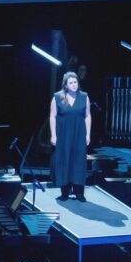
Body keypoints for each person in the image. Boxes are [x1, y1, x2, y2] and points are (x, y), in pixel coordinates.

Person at [49, 71, 91, 201]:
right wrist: (53, 135)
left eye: (75, 82)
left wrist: (88, 134)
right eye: (71, 83)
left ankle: (79, 193)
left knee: (78, 161)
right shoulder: (57, 97)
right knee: (64, 160)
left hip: (79, 134)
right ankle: (65, 192)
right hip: (63, 135)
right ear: (66, 85)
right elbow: (52, 116)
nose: (73, 85)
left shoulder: (84, 96)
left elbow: (87, 115)